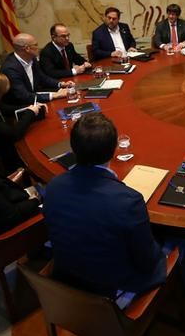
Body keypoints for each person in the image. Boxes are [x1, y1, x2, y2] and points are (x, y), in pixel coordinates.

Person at [44, 112, 167, 298]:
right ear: (114, 149)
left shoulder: (53, 187)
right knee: (182, 245)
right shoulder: (128, 201)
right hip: (110, 290)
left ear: (72, 147)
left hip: (66, 278)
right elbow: (148, 260)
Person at [0, 33, 71, 107]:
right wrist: (54, 95)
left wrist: (60, 84)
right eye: (36, 45)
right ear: (27, 48)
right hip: (19, 107)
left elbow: (42, 77)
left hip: (34, 100)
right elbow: (23, 96)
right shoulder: (10, 69)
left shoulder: (32, 59)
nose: (39, 48)